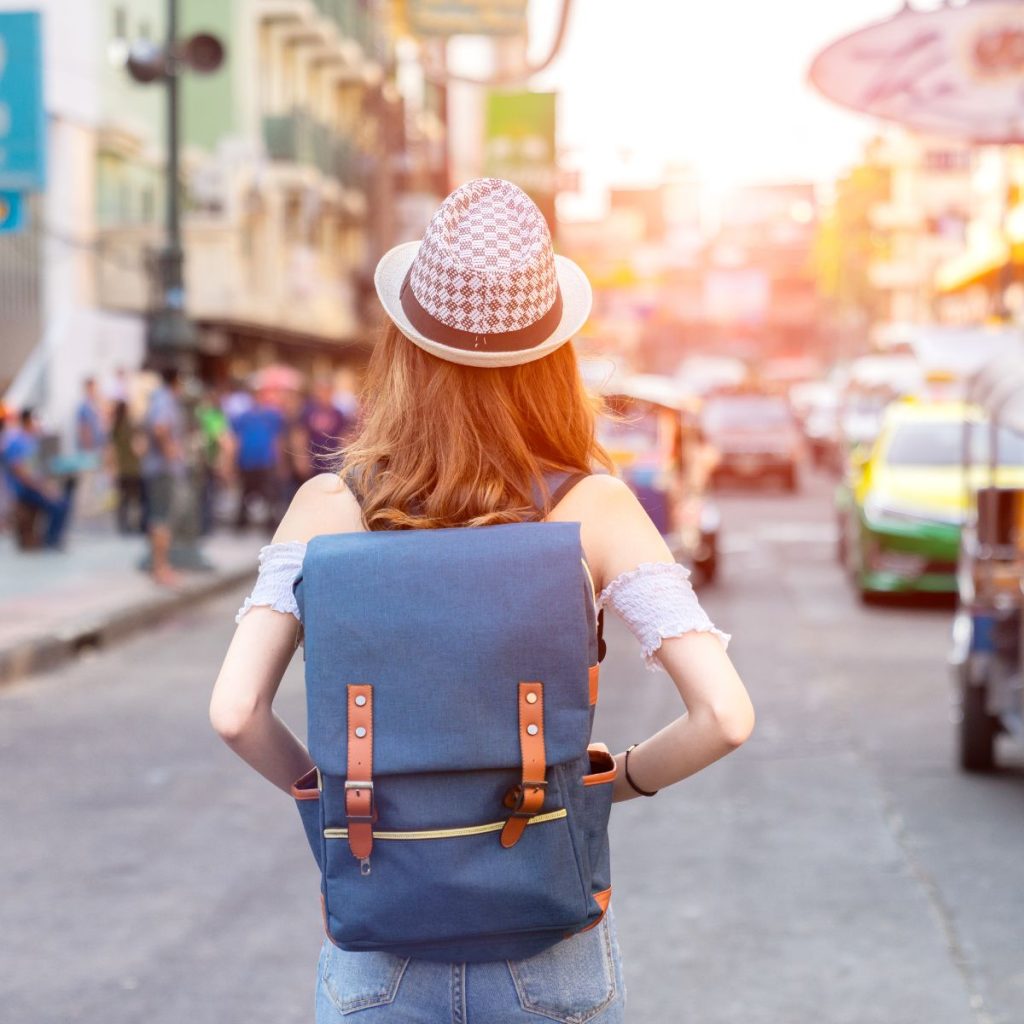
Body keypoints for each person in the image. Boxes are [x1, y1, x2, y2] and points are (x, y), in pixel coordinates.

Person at [209, 179, 754, 1022]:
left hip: (380, 956)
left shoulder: (328, 508)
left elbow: (236, 712)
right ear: (554, 360)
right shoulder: (596, 509)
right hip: (550, 953)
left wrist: (334, 801)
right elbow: (725, 716)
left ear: (405, 350)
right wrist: (615, 786)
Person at [141, 366, 187, 587]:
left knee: (158, 517)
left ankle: (159, 565)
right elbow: (160, 428)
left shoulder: (157, 399)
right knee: (162, 519)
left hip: (157, 469)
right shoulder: (165, 401)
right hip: (163, 470)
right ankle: (161, 567)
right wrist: (171, 452)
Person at [2, 407, 72, 549]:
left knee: (63, 502)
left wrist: (47, 486)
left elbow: (38, 469)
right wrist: (42, 489)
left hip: (35, 486)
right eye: (35, 421)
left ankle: (53, 538)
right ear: (28, 421)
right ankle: (50, 541)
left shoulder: (31, 440)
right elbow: (21, 473)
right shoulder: (16, 442)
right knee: (57, 506)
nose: (37, 424)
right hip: (25, 489)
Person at [230, 386, 285, 532]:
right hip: (247, 460)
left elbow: (277, 439)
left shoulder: (272, 416)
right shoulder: (242, 417)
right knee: (245, 492)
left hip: (266, 460)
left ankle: (270, 522)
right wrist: (232, 461)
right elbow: (236, 440)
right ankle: (241, 522)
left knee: (270, 493)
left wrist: (279, 460)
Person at [109, 400, 144, 534]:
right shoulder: (131, 426)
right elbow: (137, 447)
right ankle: (135, 525)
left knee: (123, 500)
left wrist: (112, 468)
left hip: (121, 468)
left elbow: (111, 450)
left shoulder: (115, 427)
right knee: (136, 499)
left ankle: (123, 526)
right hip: (133, 468)